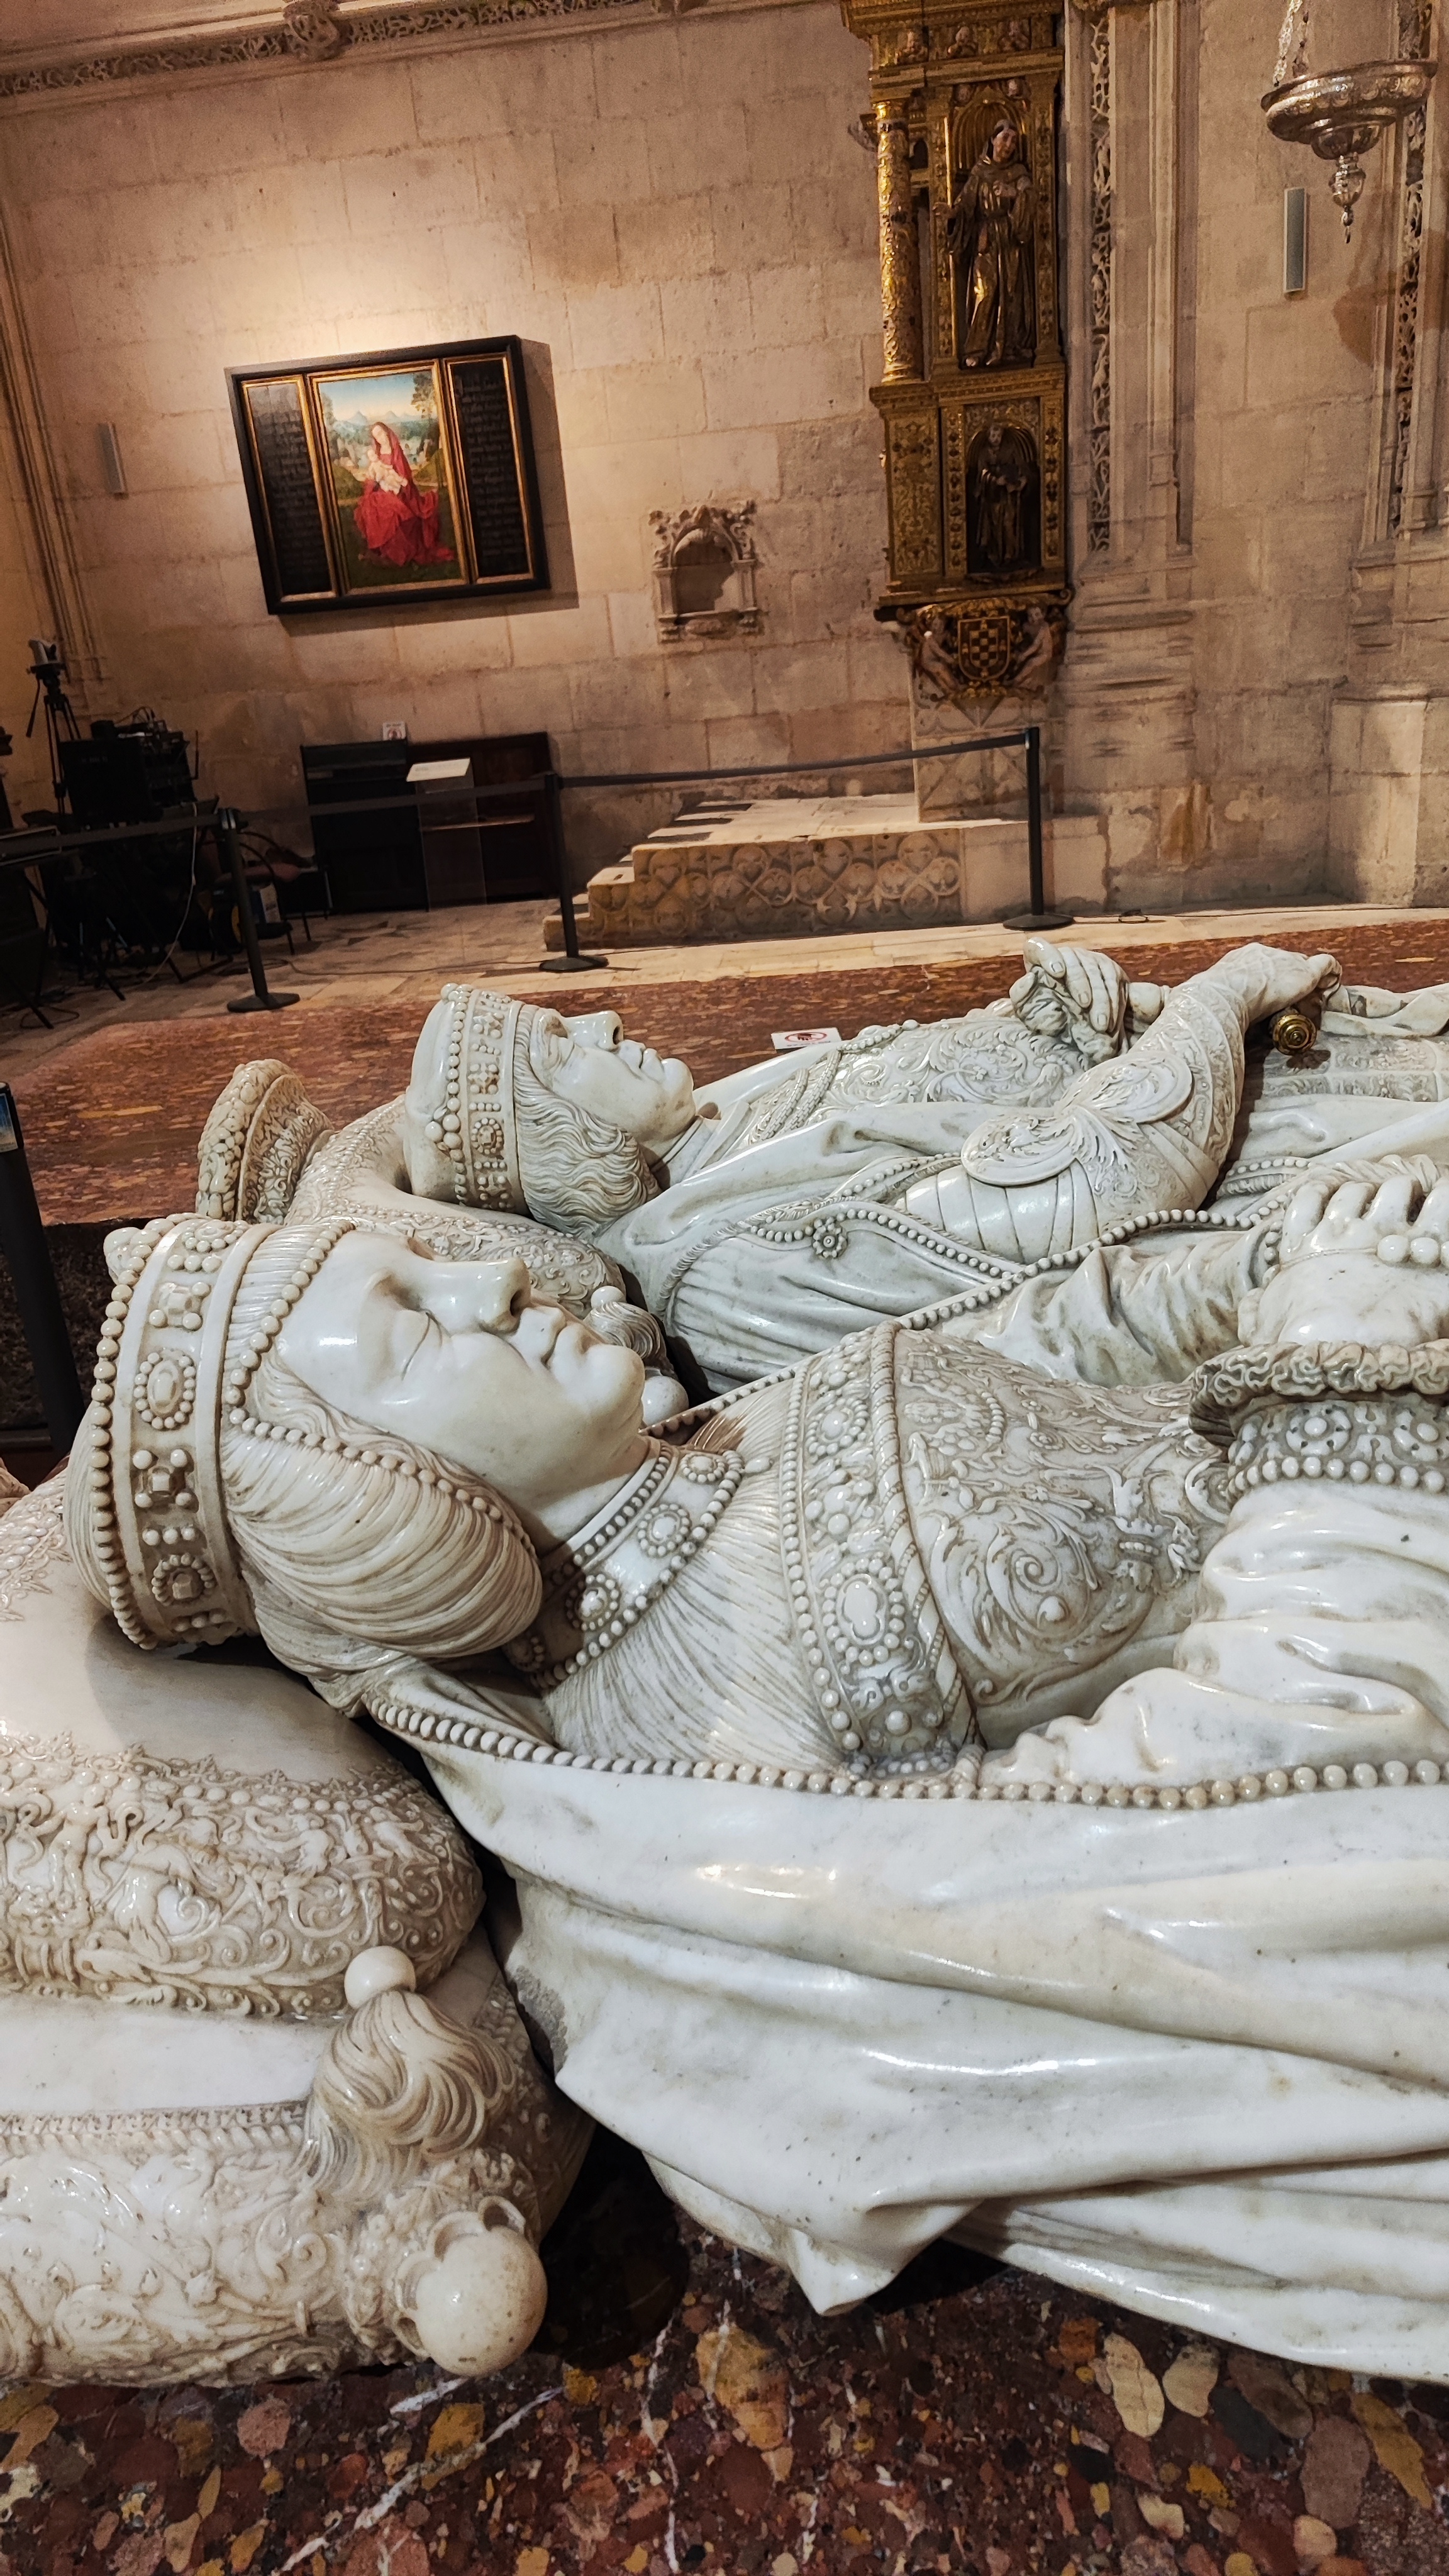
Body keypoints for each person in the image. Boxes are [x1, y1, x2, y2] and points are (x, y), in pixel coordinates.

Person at [62, 1172, 1449, 2367]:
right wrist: (1342, 1367)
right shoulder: (694, 1768)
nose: (489, 1274)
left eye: (433, 1259)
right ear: (370, 1492)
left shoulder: (714, 1439)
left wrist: (1276, 1260)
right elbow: (1245, 1808)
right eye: (415, 1317)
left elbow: (1050, 1333)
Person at [948, 117, 1037, 369]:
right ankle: (977, 348)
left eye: (1013, 140)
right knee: (984, 293)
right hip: (986, 239)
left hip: (1010, 240)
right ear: (992, 140)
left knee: (1011, 293)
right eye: (1004, 138)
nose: (1008, 144)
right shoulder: (980, 171)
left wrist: (1015, 195)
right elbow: (966, 203)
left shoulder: (1018, 173)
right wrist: (951, 213)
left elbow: (1031, 197)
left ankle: (1009, 348)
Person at [353, 421, 453, 570]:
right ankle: (382, 549)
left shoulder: (396, 452)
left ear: (387, 432)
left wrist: (395, 483)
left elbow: (404, 477)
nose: (380, 438)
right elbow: (373, 476)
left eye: (381, 433)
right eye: (376, 436)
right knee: (370, 505)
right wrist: (373, 482)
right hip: (383, 489)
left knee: (393, 510)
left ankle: (398, 554)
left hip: (401, 491)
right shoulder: (379, 454)